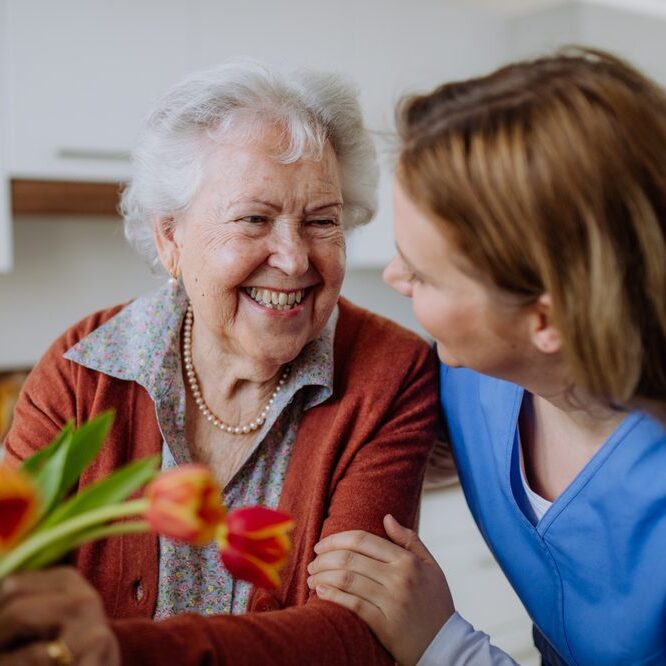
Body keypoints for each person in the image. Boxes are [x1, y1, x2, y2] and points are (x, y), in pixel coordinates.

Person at [0, 61, 438, 665]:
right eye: (253, 219)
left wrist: (111, 650)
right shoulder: (84, 369)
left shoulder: (391, 373)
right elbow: (13, 578)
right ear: (169, 239)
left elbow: (357, 635)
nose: (292, 259)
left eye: (322, 221)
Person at [307, 48, 666, 665]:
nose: (394, 276)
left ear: (545, 318)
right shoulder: (475, 381)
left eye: (423, 275)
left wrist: (445, 645)